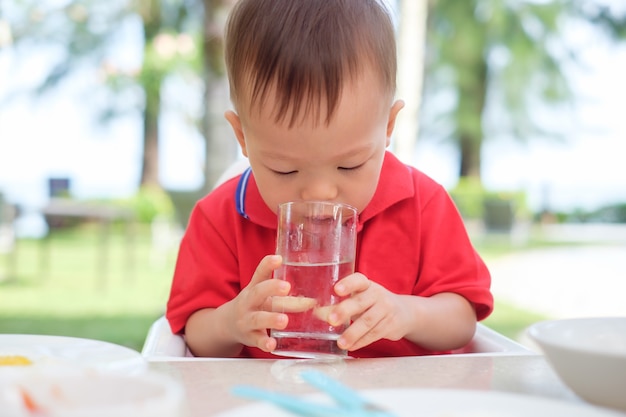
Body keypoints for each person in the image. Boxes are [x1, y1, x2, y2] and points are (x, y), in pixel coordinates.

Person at [166, 0, 493, 359]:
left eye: (350, 165)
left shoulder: (422, 204)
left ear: (387, 126)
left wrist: (408, 313)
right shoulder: (221, 218)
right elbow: (192, 333)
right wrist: (230, 323)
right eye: (285, 170)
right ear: (242, 137)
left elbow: (464, 320)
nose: (320, 193)